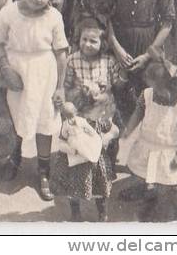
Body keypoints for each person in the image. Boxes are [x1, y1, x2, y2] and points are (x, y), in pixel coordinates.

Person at [0, 0, 69, 202]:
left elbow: (61, 53)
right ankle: (13, 158)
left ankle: (43, 171)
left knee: (44, 121)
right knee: (17, 116)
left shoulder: (54, 17)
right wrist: (5, 69)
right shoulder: (9, 12)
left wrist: (60, 88)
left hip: (43, 73)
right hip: (16, 71)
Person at [50, 18, 123, 222]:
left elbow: (119, 84)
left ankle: (102, 211)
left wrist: (108, 87)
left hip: (101, 117)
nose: (87, 45)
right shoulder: (73, 60)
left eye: (93, 41)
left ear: (102, 44)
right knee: (74, 167)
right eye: (84, 40)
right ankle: (75, 211)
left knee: (99, 169)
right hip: (79, 118)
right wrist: (77, 93)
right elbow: (66, 86)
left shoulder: (108, 62)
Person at [101, 0, 176, 121]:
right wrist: (115, 47)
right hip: (118, 38)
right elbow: (104, 14)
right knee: (117, 92)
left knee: (144, 96)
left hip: (147, 44)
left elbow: (168, 22)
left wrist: (147, 55)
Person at [117, 59, 177, 221]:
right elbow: (137, 114)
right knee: (142, 171)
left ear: (170, 85)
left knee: (166, 181)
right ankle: (147, 190)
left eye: (158, 89)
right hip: (146, 144)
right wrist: (128, 130)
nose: (155, 92)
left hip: (168, 150)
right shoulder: (146, 95)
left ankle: (162, 201)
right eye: (152, 86)